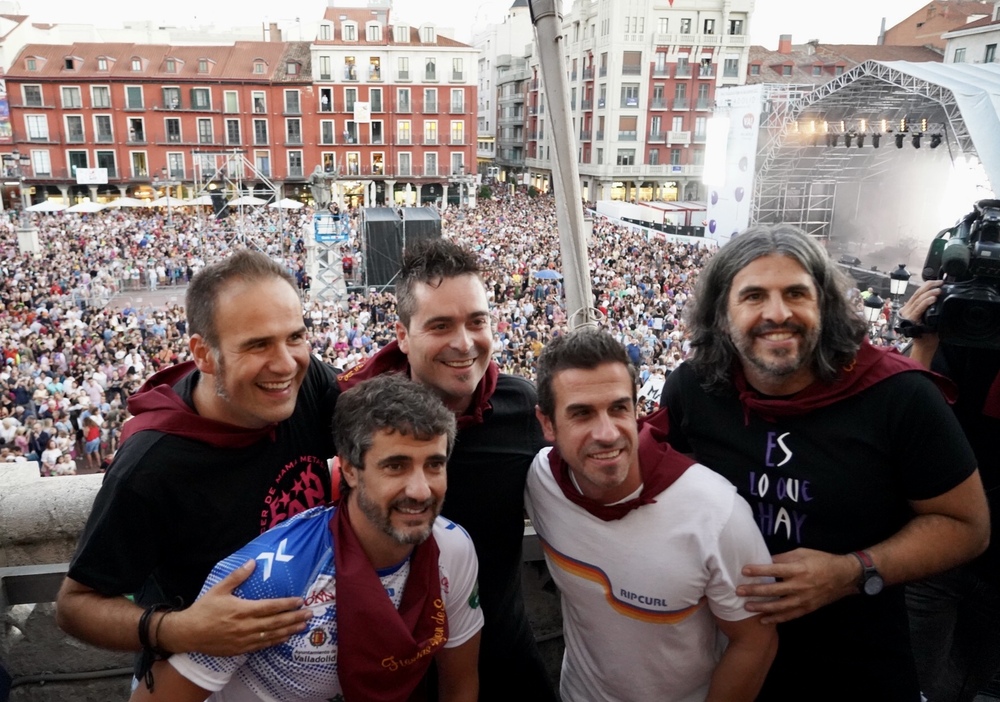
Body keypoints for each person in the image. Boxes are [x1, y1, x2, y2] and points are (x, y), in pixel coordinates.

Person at [659, 224, 990, 700]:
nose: (778, 313)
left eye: (796, 293)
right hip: (723, 662)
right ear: (721, 312)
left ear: (824, 305)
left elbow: (966, 525)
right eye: (754, 296)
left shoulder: (900, 396)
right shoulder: (694, 387)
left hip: (855, 669)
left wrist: (851, 573)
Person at [56, 250, 339, 673]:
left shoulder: (307, 380)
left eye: (295, 336)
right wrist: (179, 629)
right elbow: (75, 606)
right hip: (210, 677)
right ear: (204, 355)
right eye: (258, 344)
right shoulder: (151, 467)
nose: (286, 363)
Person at [130, 374, 483, 702]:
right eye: (395, 466)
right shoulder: (269, 578)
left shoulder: (453, 549)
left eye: (434, 464)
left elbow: (460, 684)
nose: (421, 491)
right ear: (349, 470)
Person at [337, 238, 556, 700]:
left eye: (478, 321)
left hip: (505, 662)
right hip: (392, 677)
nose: (464, 342)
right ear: (401, 335)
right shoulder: (350, 412)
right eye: (440, 325)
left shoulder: (524, 408)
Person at [525, 329, 777, 702]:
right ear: (547, 424)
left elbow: (756, 642)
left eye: (618, 408)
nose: (607, 433)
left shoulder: (717, 514)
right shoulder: (541, 482)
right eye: (581, 414)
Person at [899, 278, 1000, 701]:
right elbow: (903, 428)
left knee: (964, 686)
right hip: (935, 550)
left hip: (991, 571)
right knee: (911, 681)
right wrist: (919, 343)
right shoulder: (961, 326)